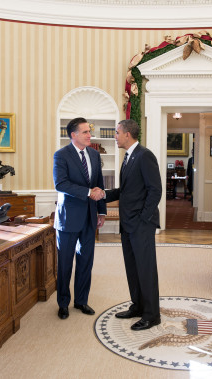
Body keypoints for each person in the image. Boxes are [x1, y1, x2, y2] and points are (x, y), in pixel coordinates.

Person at [94, 119, 162, 331]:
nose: (115, 136)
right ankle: (138, 306)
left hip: (141, 224)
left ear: (127, 134)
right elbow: (125, 192)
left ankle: (152, 315)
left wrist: (143, 218)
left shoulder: (144, 155)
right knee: (133, 269)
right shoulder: (129, 157)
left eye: (117, 132)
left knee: (146, 269)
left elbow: (155, 190)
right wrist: (103, 194)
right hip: (128, 224)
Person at [53, 117, 106, 320]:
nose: (89, 135)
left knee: (86, 262)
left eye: (89, 131)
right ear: (73, 135)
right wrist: (87, 192)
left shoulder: (93, 154)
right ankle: (63, 303)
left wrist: (101, 211)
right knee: (65, 263)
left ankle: (81, 301)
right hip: (68, 219)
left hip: (90, 217)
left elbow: (98, 184)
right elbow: (61, 184)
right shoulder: (61, 155)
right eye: (85, 132)